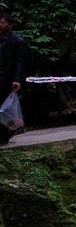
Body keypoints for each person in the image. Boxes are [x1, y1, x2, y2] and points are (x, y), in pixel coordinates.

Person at [0, 12, 29, 143]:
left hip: (8, 80)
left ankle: (4, 135)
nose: (0, 25)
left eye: (2, 22)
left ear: (9, 25)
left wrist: (17, 79)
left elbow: (20, 62)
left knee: (4, 108)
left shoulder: (18, 42)